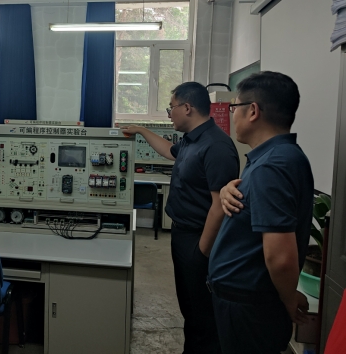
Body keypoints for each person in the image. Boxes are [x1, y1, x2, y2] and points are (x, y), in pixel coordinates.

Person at [123, 82, 239, 353]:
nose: (169, 114)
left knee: (203, 314)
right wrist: (140, 130)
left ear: (187, 108)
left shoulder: (217, 147)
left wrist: (201, 252)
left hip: (199, 239)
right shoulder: (192, 139)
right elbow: (168, 151)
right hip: (182, 235)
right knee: (190, 308)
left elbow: (219, 207)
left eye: (171, 108)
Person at [209, 71, 314, 354]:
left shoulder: (272, 166)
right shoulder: (278, 157)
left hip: (250, 306)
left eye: (234, 107)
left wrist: (289, 299)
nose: (232, 115)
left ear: (253, 111)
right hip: (249, 300)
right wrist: (230, 189)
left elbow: (280, 256)